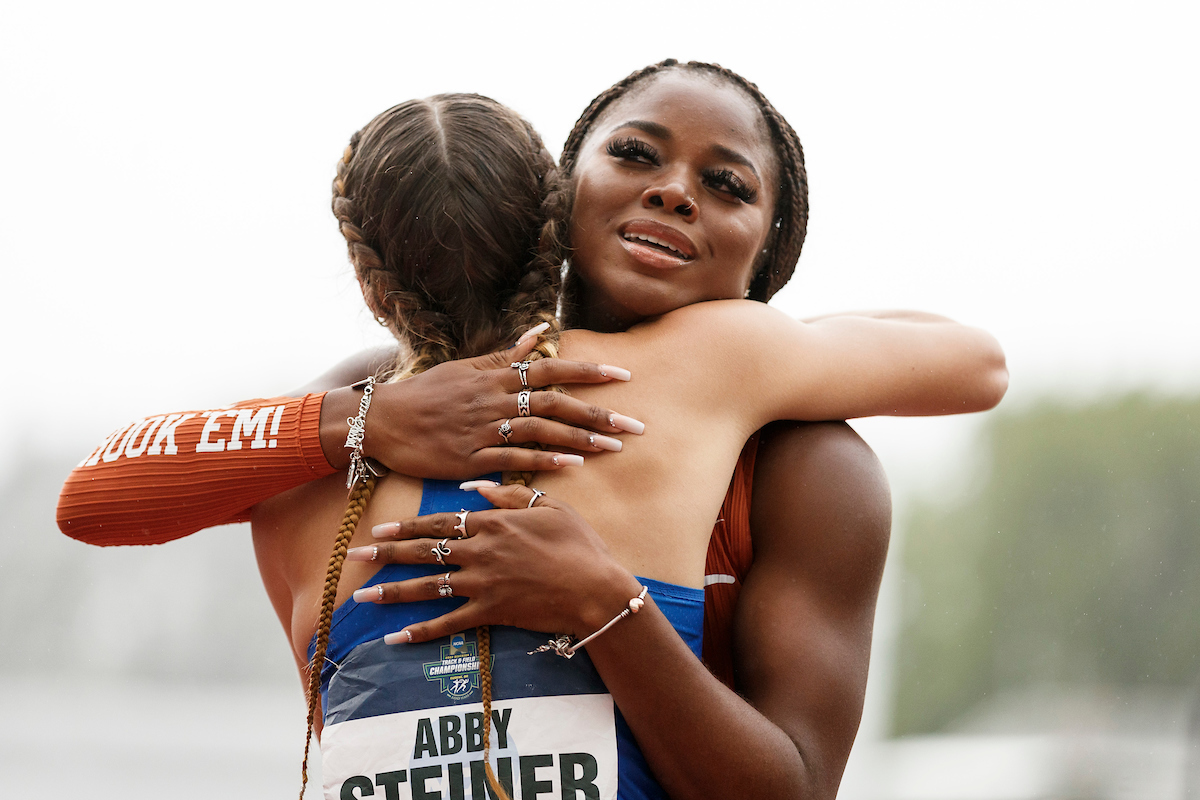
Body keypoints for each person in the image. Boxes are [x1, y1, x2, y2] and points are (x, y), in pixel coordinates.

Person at [57, 61, 1007, 799]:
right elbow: (93, 496)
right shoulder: (363, 414)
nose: (675, 190)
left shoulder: (801, 453)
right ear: (561, 191)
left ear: (771, 244)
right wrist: (372, 421)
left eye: (727, 184)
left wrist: (602, 600)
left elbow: (792, 788)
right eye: (635, 153)